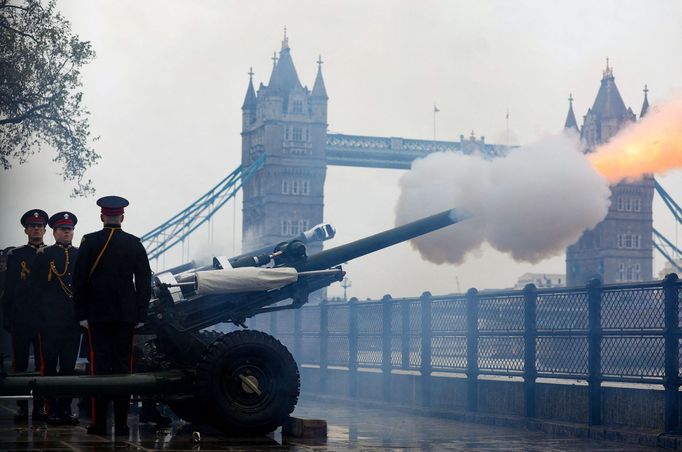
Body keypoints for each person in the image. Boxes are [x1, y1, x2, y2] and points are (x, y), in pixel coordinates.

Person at [73, 196, 152, 436]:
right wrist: (140, 313)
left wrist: (81, 314)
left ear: (102, 216)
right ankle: (122, 423)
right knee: (123, 369)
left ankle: (98, 423)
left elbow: (78, 281)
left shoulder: (89, 242)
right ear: (122, 217)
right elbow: (144, 282)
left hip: (96, 315)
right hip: (125, 316)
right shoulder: (134, 244)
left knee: (99, 368)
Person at [29, 212, 80, 425]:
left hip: (72, 320)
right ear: (54, 232)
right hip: (49, 320)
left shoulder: (80, 254)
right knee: (49, 366)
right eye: (62, 229)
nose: (66, 232)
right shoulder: (44, 254)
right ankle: (50, 410)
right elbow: (35, 289)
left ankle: (65, 409)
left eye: (69, 229)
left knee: (68, 366)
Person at [1, 210, 49, 423]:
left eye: (39, 226)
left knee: (43, 364)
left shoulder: (52, 253)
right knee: (19, 362)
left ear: (45, 229)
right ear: (26, 230)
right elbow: (9, 289)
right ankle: (21, 406)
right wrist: (8, 317)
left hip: (45, 318)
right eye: (32, 226)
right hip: (21, 317)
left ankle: (39, 406)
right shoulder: (16, 255)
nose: (36, 229)